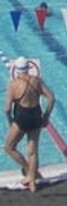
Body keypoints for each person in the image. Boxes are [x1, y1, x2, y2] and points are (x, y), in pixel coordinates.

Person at [4, 57, 55, 193]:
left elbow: (7, 109)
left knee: (9, 147)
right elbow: (51, 98)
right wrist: (46, 116)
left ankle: (28, 169)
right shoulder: (37, 81)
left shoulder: (13, 85)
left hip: (22, 119)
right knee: (32, 151)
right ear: (29, 68)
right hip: (36, 117)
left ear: (16, 70)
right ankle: (32, 181)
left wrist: (10, 122)